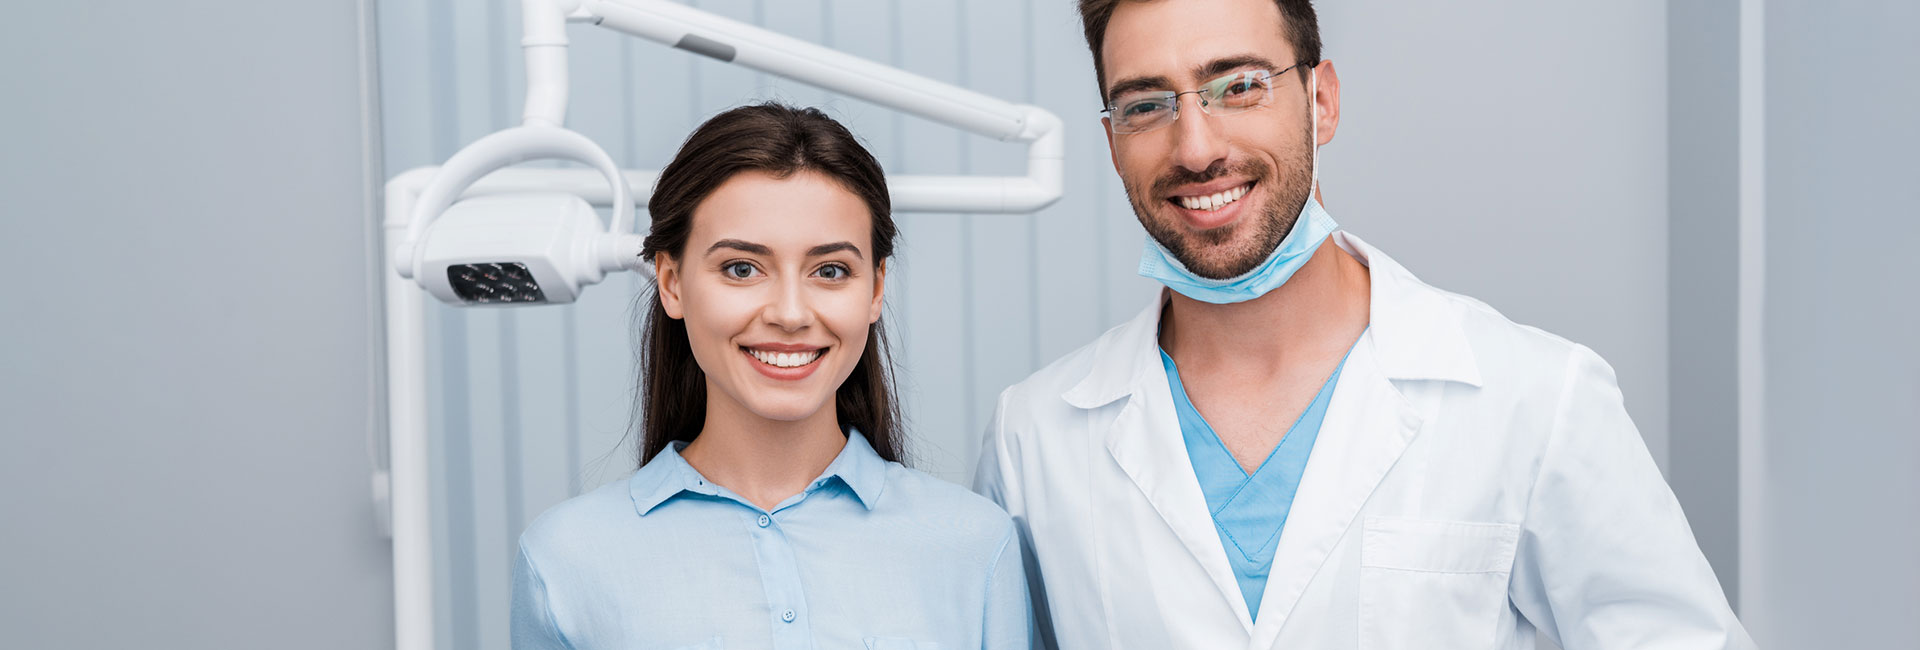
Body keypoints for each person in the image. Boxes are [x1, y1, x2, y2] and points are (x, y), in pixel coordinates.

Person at [973, 1, 1754, 648]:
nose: (1197, 145)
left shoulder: (1534, 399)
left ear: (1321, 101)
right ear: (1114, 143)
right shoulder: (1035, 437)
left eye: (1238, 86)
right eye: (1147, 104)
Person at [512, 103, 1030, 650]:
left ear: (876, 288)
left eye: (830, 271)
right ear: (671, 282)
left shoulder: (975, 546)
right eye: (742, 268)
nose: (789, 313)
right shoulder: (565, 560)